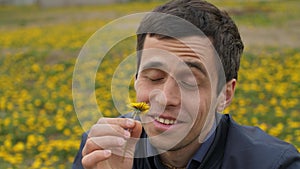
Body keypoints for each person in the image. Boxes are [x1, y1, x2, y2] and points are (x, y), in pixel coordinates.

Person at [72, 0, 300, 168]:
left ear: (226, 95)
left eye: (189, 82)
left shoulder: (274, 164)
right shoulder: (103, 148)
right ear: (135, 80)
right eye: (153, 77)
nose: (165, 98)